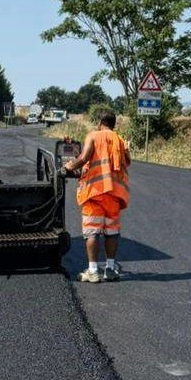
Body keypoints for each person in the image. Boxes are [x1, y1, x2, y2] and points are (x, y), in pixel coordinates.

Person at [62, 110, 130, 283]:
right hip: (114, 195)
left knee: (92, 232)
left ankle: (93, 271)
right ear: (113, 124)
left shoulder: (93, 135)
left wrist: (68, 167)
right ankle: (110, 268)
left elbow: (84, 158)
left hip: (95, 193)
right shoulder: (120, 140)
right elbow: (126, 161)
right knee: (111, 233)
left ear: (100, 122)